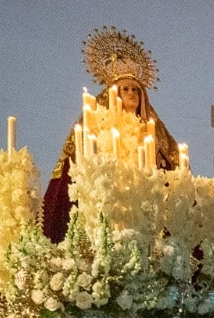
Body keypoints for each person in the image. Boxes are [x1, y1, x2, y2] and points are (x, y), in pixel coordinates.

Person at [42, 26, 180, 242]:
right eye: (125, 89)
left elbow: (171, 171)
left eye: (136, 90)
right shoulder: (99, 126)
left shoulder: (153, 133)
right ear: (113, 94)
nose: (132, 93)